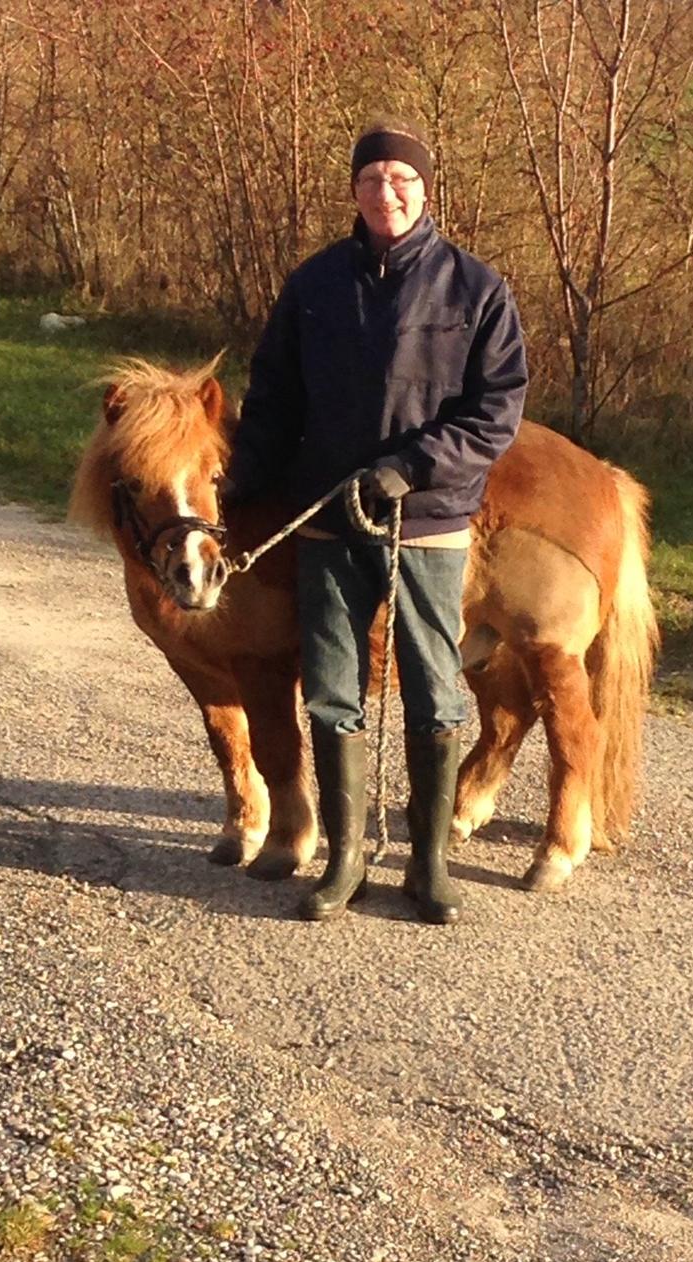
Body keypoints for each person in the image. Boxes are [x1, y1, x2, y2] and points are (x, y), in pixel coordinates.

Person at [223, 121, 528, 925]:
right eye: (371, 180)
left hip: (426, 519)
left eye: (401, 179)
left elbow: (497, 409)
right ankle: (346, 859)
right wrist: (239, 483)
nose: (386, 193)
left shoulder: (475, 289)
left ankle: (428, 864)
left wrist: (412, 467)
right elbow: (274, 400)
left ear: (426, 190)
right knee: (332, 686)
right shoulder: (315, 285)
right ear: (353, 190)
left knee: (433, 684)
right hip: (329, 516)